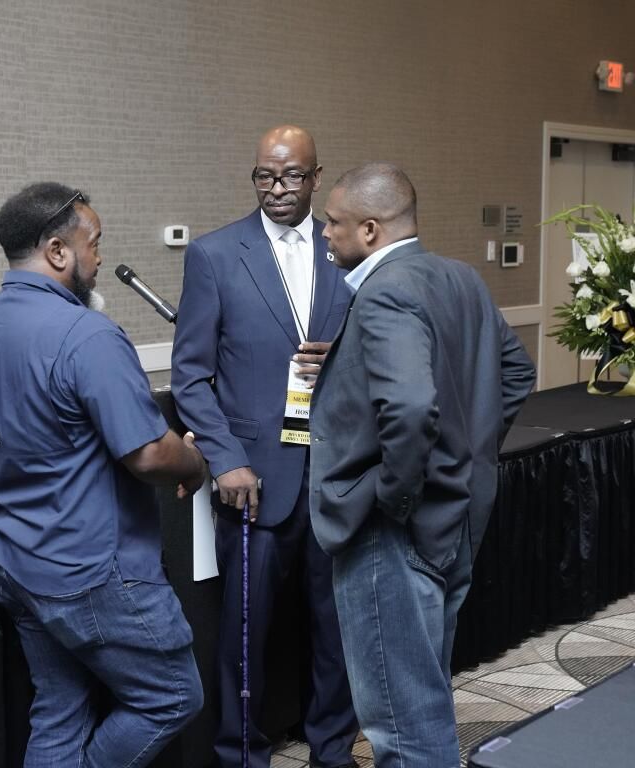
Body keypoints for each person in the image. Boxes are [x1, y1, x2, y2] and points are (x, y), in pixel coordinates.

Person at [0, 182, 206, 768]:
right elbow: (149, 454)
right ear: (58, 251)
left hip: (16, 559)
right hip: (90, 571)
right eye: (93, 243)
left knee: (60, 710)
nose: (98, 256)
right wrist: (194, 462)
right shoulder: (87, 334)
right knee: (172, 697)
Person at [309, 162, 536, 768]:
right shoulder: (460, 277)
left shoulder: (384, 290)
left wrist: (396, 494)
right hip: (456, 518)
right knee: (423, 695)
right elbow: (516, 374)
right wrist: (466, 454)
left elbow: (410, 408)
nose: (324, 232)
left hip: (394, 533)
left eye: (332, 222)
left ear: (370, 229)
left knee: (404, 727)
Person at [171, 126, 359, 768]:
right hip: (253, 480)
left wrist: (342, 360)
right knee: (244, 635)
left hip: (335, 473)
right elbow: (190, 376)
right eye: (264, 176)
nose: (277, 188)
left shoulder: (345, 251)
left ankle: (332, 750)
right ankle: (241, 754)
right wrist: (225, 459)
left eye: (292, 176)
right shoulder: (215, 255)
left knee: (335, 629)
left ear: (316, 177)